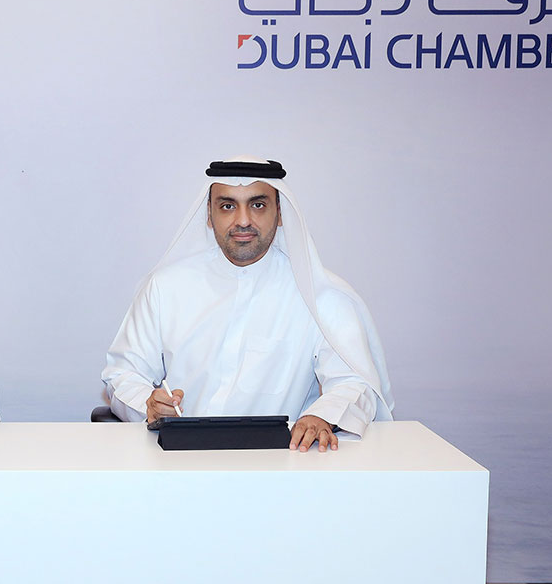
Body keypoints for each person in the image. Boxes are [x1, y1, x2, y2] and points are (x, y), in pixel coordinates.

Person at [100, 158, 394, 452]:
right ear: (209, 215)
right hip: (179, 458)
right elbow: (123, 374)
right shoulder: (165, 288)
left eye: (258, 205)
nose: (243, 220)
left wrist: (321, 416)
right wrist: (148, 405)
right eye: (228, 206)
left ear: (280, 213)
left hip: (282, 462)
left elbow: (353, 383)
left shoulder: (323, 295)